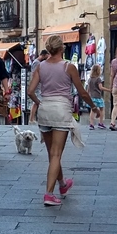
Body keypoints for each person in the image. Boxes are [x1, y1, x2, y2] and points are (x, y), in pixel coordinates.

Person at [27, 35, 98, 206]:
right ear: (61, 49)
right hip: (61, 109)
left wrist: (39, 103)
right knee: (56, 154)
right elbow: (82, 92)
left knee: (52, 154)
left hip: (45, 109)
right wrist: (93, 106)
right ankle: (49, 194)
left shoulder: (40, 67)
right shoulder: (68, 67)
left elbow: (30, 91)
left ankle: (62, 184)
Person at [28, 50, 48, 123]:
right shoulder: (37, 63)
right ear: (44, 55)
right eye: (47, 55)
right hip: (37, 85)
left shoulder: (36, 62)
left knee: (37, 101)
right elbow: (35, 73)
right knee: (37, 101)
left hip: (37, 84)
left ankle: (32, 118)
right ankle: (32, 118)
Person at [87, 65, 108, 130]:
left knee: (93, 110)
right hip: (98, 97)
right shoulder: (98, 79)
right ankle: (100, 123)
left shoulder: (90, 79)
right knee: (101, 109)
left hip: (92, 97)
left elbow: (88, 89)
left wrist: (88, 95)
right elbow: (100, 87)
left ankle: (91, 124)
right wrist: (109, 90)